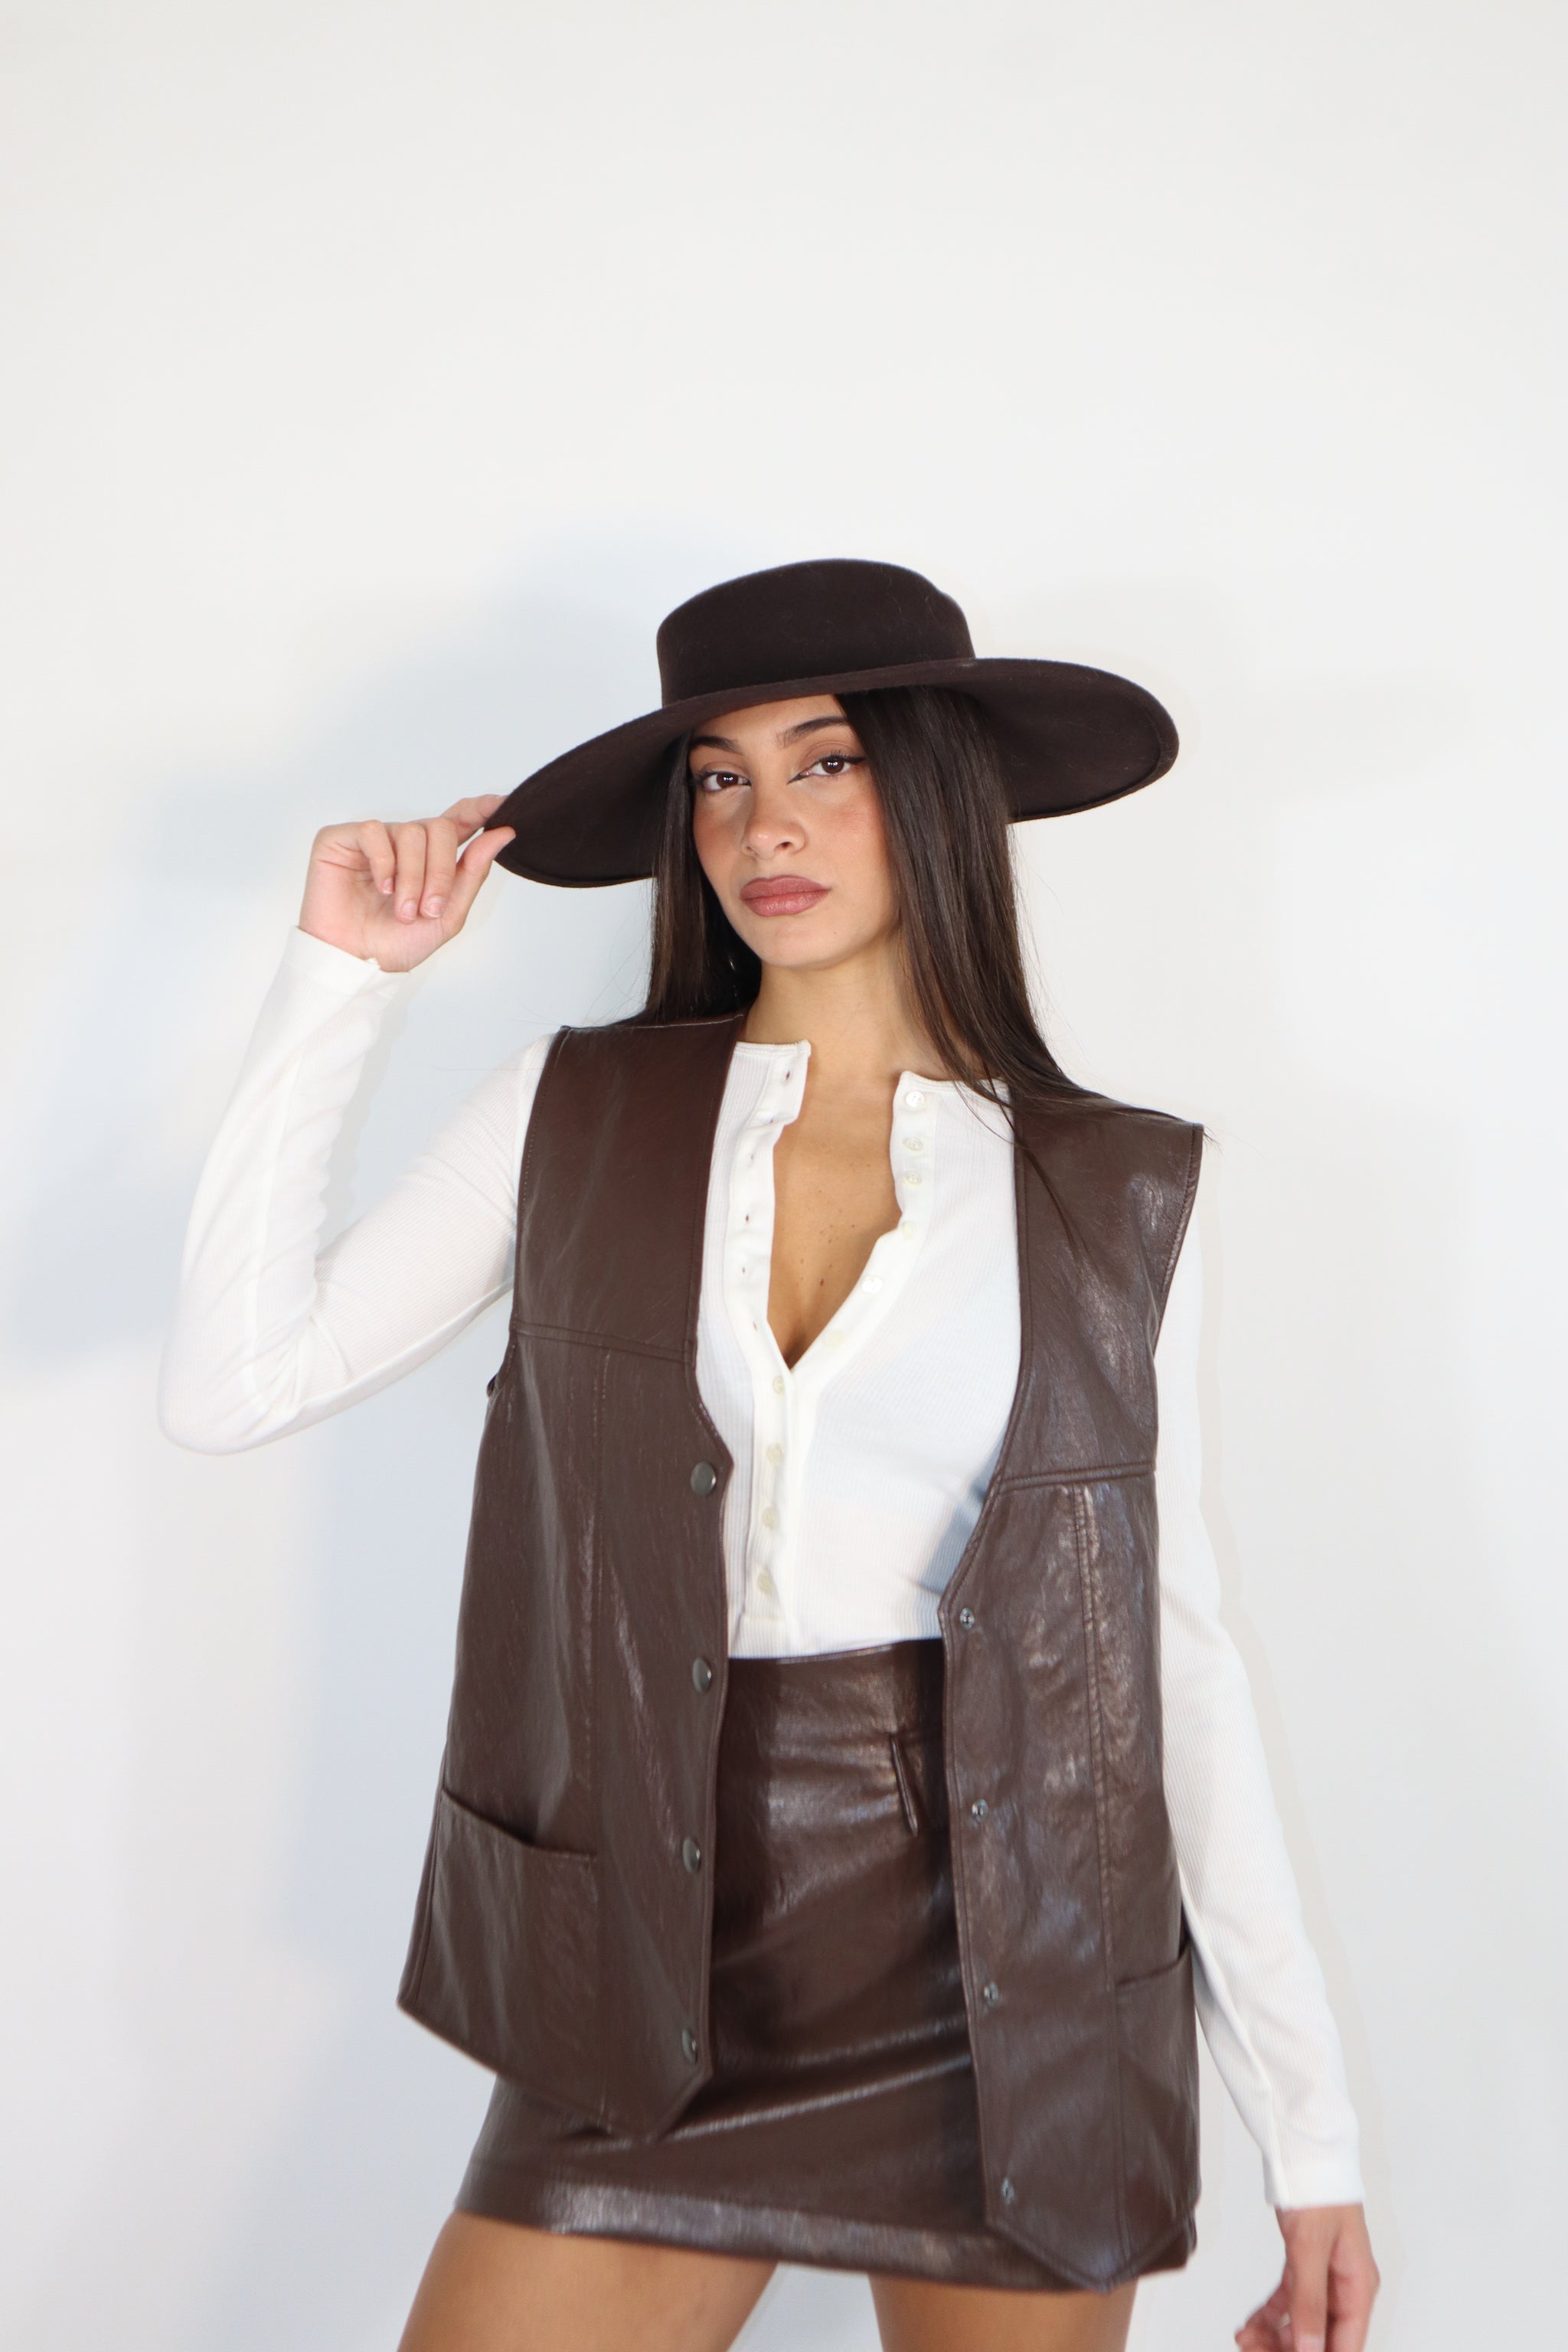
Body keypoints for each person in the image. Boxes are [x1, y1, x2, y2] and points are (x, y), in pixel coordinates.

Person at [160, 560, 1380, 2352]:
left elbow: (1169, 1663)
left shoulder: (1111, 1190)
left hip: (1019, 1984)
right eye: (718, 780)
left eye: (826, 763)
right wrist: (342, 980)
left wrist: (1310, 2134)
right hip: (646, 1971)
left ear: (939, 788)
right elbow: (234, 1383)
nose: (763, 827)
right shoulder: (575, 1114)